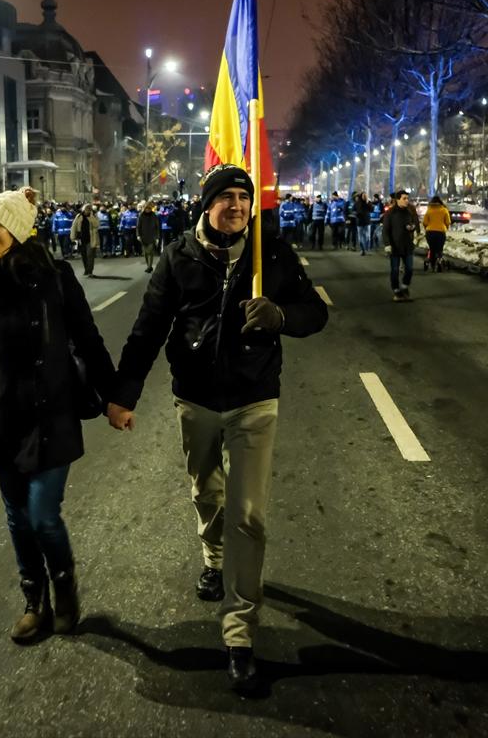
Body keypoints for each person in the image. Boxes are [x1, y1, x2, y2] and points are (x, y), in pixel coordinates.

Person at [106, 164, 328, 693]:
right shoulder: (179, 256)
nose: (235, 205)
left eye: (243, 197)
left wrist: (280, 317)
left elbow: (314, 312)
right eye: (224, 196)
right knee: (207, 492)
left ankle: (239, 635)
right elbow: (148, 327)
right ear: (206, 204)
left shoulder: (269, 251)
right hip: (197, 399)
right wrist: (124, 393)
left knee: (248, 515)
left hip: (255, 399)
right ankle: (214, 556)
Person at [0, 187, 114, 643]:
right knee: (17, 517)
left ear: (17, 231)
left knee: (42, 515)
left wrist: (116, 396)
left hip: (52, 415)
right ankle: (33, 598)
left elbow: (89, 340)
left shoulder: (56, 278)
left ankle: (64, 586)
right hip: (3, 421)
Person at [383, 190, 419, 301]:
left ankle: (404, 286)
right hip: (395, 246)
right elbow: (386, 230)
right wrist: (388, 244)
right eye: (404, 198)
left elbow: (414, 223)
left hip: (407, 245)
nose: (406, 201)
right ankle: (396, 290)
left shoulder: (409, 212)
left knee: (409, 269)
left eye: (407, 198)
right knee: (395, 270)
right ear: (397, 199)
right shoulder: (390, 213)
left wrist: (412, 227)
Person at [422, 196, 452, 271]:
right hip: (440, 232)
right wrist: (445, 228)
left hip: (430, 232)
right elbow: (448, 222)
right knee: (439, 249)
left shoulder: (429, 210)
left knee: (432, 249)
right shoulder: (444, 210)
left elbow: (424, 222)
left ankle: (432, 265)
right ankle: (439, 261)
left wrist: (427, 228)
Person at [70, 204, 99, 277]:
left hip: (91, 239)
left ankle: (90, 271)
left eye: (89, 209)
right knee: (84, 255)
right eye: (86, 209)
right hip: (81, 239)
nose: (87, 210)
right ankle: (86, 269)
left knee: (90, 255)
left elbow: (97, 225)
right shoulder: (79, 216)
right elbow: (74, 226)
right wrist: (73, 237)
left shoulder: (93, 216)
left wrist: (91, 217)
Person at [137, 202, 160, 273]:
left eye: (148, 208)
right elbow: (138, 226)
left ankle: (149, 266)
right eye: (146, 208)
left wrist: (157, 237)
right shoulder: (141, 216)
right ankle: (148, 266)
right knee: (145, 253)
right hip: (143, 237)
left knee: (150, 252)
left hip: (152, 237)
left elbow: (157, 227)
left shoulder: (154, 216)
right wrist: (138, 235)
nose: (147, 210)